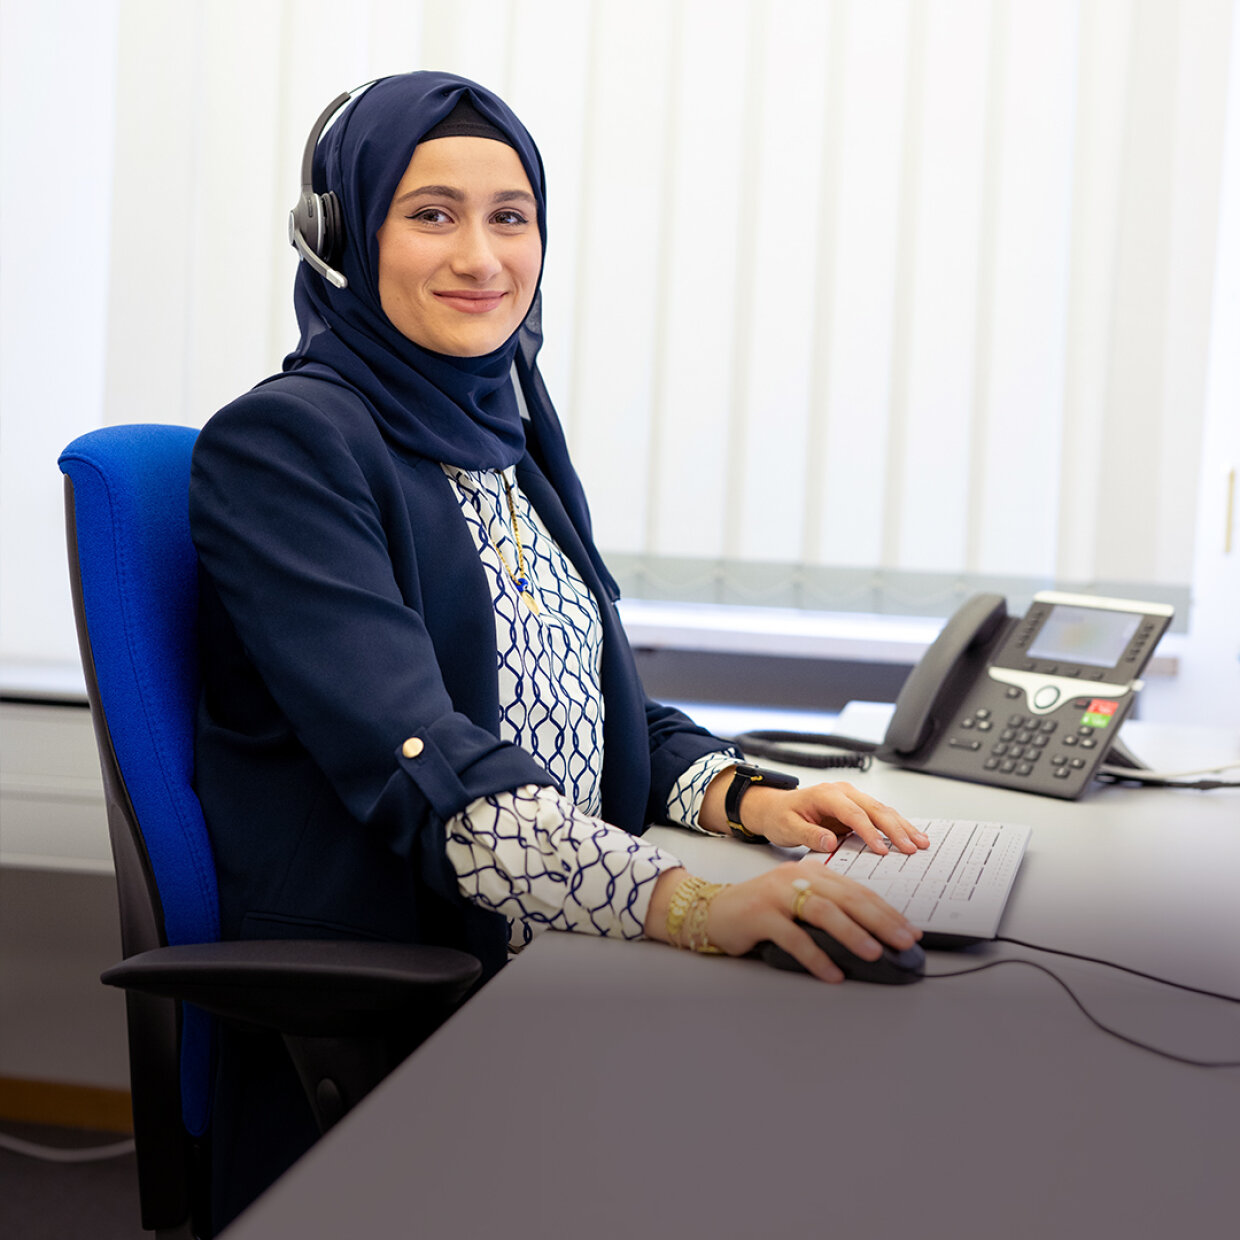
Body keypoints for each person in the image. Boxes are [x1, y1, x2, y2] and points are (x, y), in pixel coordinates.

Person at [189, 70, 928, 1228]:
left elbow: (588, 703)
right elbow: (432, 774)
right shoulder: (287, 446)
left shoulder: (504, 434)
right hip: (419, 999)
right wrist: (690, 905)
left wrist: (748, 799)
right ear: (341, 237)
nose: (483, 256)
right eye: (430, 213)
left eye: (511, 215)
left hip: (563, 956)